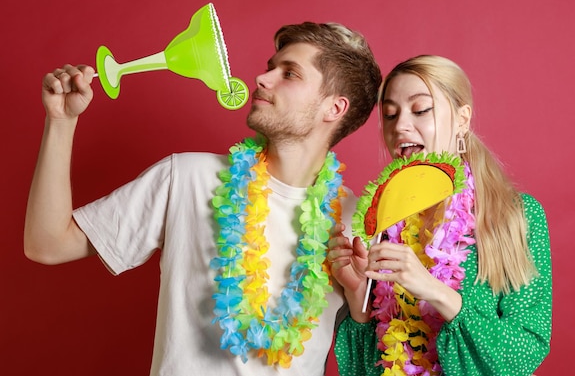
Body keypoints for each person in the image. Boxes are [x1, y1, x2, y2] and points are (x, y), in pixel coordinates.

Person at [24, 22, 382, 376]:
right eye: (271, 67)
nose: (262, 78)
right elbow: (48, 244)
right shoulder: (187, 177)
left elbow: (368, 357)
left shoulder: (358, 224)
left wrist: (361, 302)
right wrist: (60, 121)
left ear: (334, 108)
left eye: (289, 74)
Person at [328, 55, 552, 375]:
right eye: (390, 115)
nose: (400, 126)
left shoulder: (515, 215)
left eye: (420, 110)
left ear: (462, 118)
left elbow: (524, 352)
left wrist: (434, 291)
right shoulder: (382, 223)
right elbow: (363, 369)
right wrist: (358, 297)